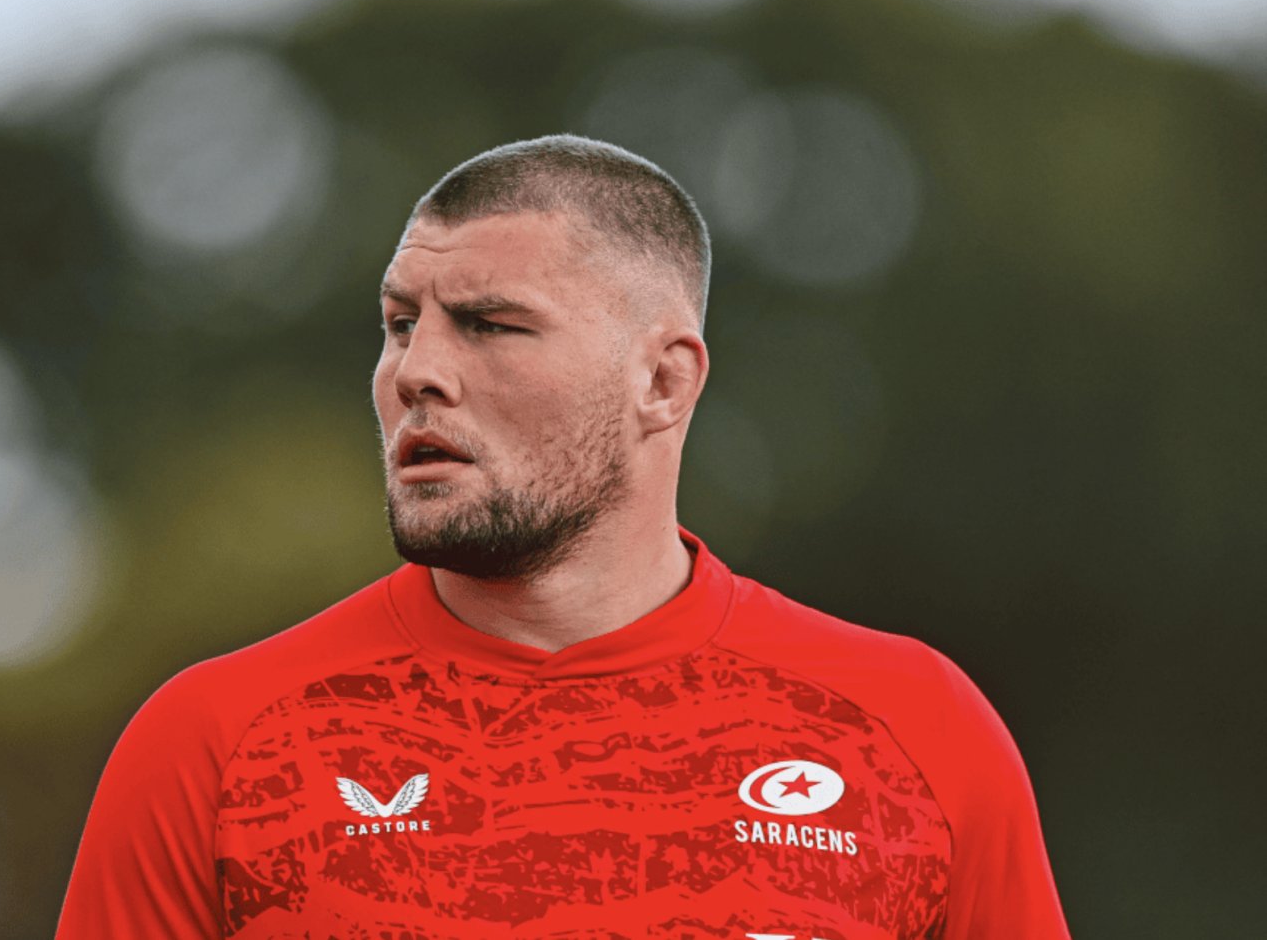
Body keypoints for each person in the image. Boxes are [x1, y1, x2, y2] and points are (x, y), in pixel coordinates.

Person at [56, 134, 1069, 939]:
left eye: (489, 324)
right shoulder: (216, 742)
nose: (416, 372)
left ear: (662, 380)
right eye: (401, 323)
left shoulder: (915, 728)